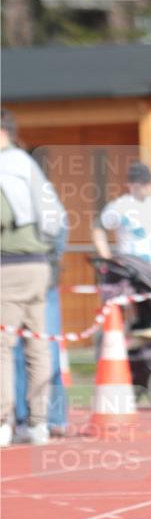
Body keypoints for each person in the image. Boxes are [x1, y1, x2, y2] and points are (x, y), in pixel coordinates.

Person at [0, 109, 68, 446]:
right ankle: (40, 422)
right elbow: (56, 217)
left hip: (8, 264)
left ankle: (3, 422)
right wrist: (52, 256)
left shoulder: (4, 167)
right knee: (38, 346)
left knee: (3, 347)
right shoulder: (29, 166)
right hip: (39, 264)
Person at [92, 161, 151, 263]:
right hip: (130, 266)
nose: (148, 186)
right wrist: (106, 255)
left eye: (149, 182)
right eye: (143, 183)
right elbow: (98, 228)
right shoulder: (120, 205)